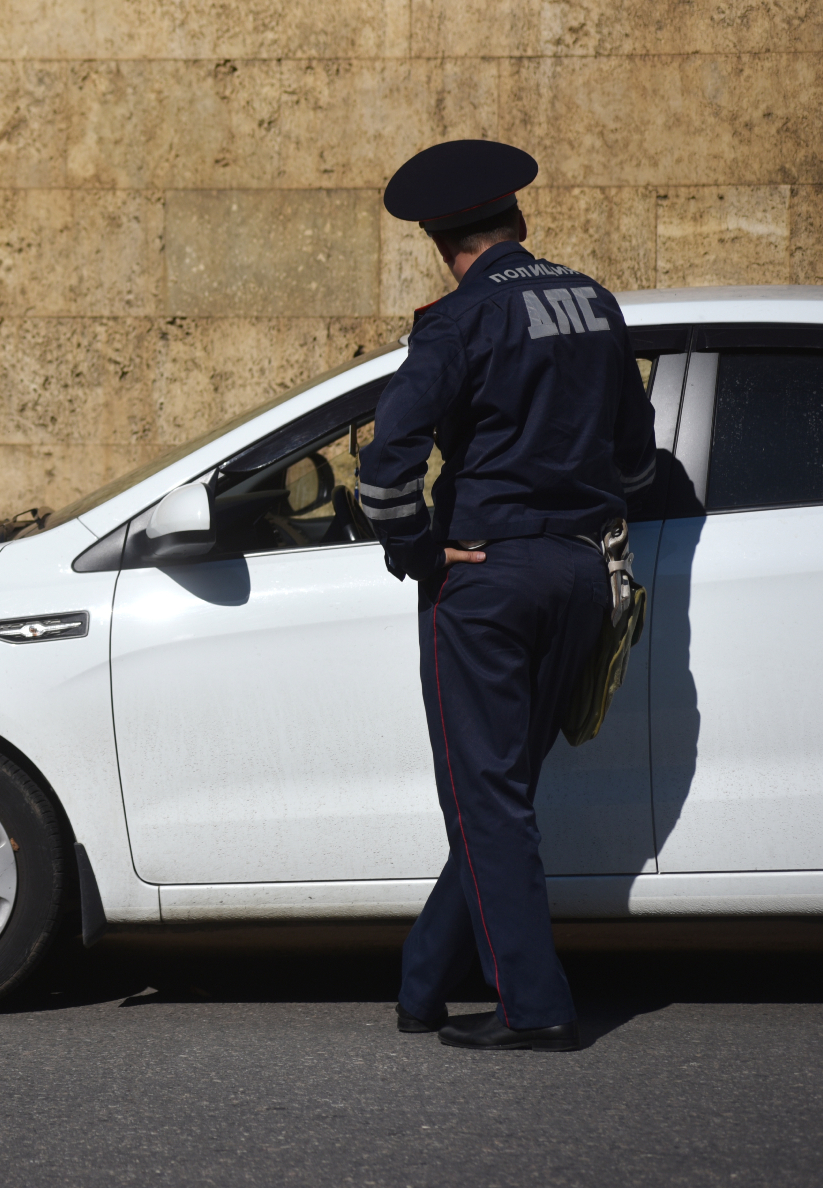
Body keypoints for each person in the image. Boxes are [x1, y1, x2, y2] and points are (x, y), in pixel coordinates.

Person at [360, 141, 656, 1052]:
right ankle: (420, 985)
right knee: (501, 792)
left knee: (485, 798)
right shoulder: (594, 303)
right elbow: (636, 457)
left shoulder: (457, 322)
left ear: (438, 240)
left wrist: (420, 552)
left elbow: (383, 475)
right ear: (518, 220)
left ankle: (535, 1005)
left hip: (486, 579)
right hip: (581, 572)